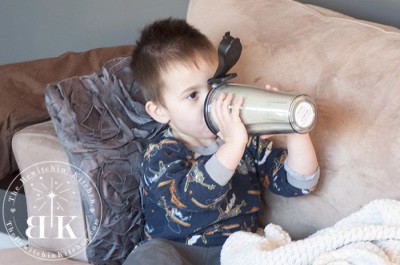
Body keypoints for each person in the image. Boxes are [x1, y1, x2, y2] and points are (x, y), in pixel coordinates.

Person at [123, 17, 319, 265]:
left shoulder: (244, 139)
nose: (211, 102)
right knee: (148, 256)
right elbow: (191, 199)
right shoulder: (161, 154)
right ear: (160, 111)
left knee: (264, 252)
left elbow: (299, 183)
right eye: (193, 95)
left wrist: (294, 130)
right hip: (177, 252)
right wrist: (232, 147)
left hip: (234, 252)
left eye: (216, 86)